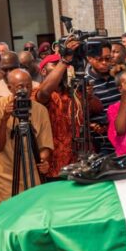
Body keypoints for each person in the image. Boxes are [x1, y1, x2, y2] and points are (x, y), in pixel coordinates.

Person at [35, 43, 104, 179]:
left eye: (64, 66)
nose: (62, 68)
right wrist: (64, 60)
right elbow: (44, 92)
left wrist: (89, 95)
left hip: (81, 161)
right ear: (43, 71)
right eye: (55, 65)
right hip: (55, 165)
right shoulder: (39, 92)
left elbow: (97, 108)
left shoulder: (73, 92)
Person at [0, 69, 53, 206]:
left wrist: (43, 160)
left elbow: (45, 145)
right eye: (20, 87)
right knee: (9, 216)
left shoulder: (40, 110)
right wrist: (4, 119)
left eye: (28, 86)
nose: (25, 90)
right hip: (5, 176)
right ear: (10, 88)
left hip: (32, 173)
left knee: (35, 212)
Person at [85, 41, 120, 155]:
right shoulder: (85, 82)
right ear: (89, 59)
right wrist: (91, 125)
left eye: (108, 58)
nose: (105, 63)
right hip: (101, 144)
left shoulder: (118, 76)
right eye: (100, 59)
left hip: (123, 139)